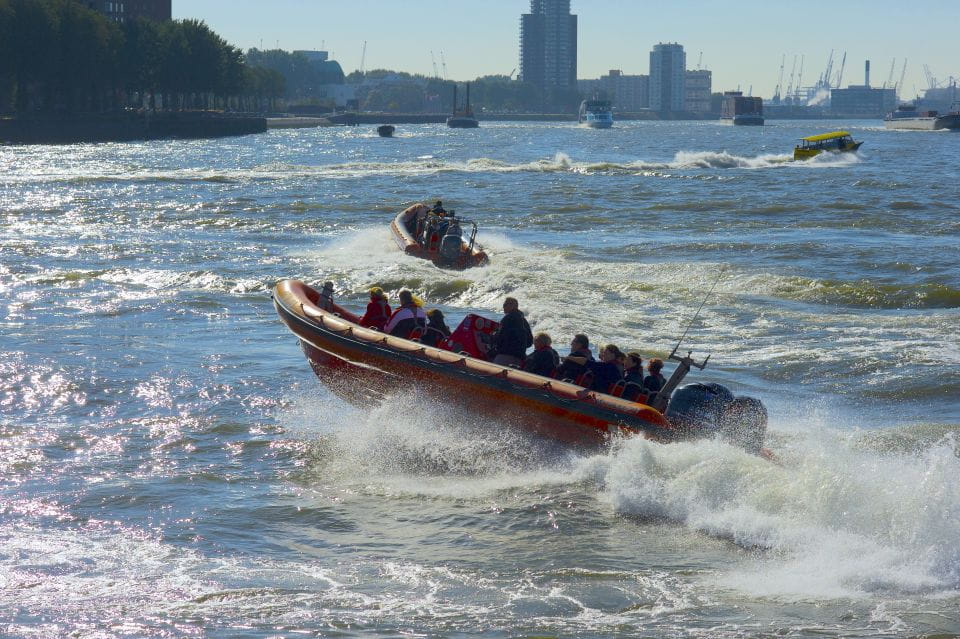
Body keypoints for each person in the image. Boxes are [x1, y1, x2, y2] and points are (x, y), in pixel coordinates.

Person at [488, 297, 533, 367]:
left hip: (506, 355)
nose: (503, 306)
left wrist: (492, 336)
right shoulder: (524, 321)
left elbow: (499, 338)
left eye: (505, 304)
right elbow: (530, 342)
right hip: (520, 358)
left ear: (513, 306)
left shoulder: (508, 318)